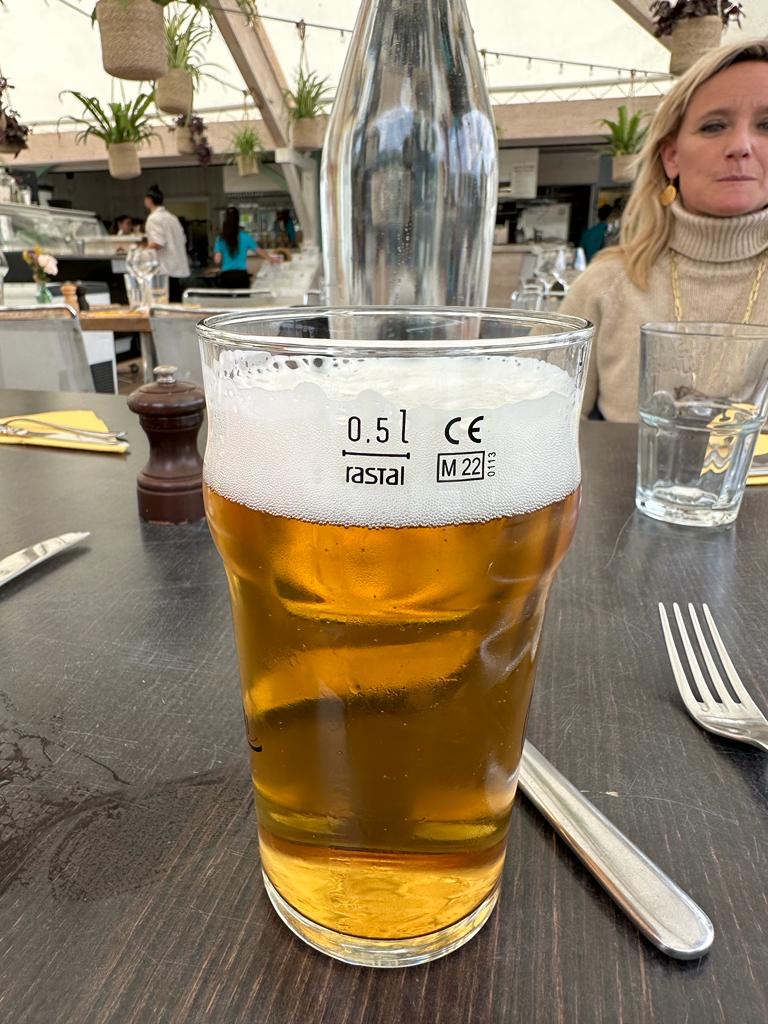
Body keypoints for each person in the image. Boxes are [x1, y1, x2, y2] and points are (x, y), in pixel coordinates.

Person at [561, 41, 768, 421]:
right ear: (671, 156)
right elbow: (547, 428)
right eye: (714, 126)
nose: (740, 146)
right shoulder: (607, 285)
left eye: (767, 125)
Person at [143, 185, 190, 303]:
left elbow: (158, 243)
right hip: (176, 267)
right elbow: (183, 239)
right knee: (176, 302)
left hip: (164, 269)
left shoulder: (153, 218)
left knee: (165, 304)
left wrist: (141, 252)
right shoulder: (172, 218)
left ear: (149, 200)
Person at [213, 207, 270, 289]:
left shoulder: (220, 238)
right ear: (238, 220)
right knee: (243, 297)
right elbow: (259, 251)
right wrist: (271, 259)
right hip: (242, 277)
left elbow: (217, 260)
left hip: (226, 277)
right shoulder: (245, 237)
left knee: (227, 297)